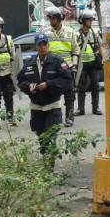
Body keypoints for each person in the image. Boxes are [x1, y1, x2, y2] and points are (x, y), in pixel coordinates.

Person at [17, 34, 72, 169]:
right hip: (36, 107)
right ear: (36, 47)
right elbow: (20, 80)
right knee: (42, 138)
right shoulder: (29, 63)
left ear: (48, 45)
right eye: (39, 45)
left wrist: (49, 84)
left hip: (52, 106)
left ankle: (49, 169)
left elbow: (67, 80)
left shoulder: (58, 61)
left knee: (50, 137)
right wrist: (28, 87)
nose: (42, 47)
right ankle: (46, 162)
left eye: (44, 44)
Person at [44, 6, 79, 127]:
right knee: (52, 94)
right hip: (52, 68)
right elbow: (43, 51)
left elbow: (75, 50)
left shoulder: (70, 32)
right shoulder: (46, 32)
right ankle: (52, 118)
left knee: (69, 94)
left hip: (66, 67)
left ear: (59, 19)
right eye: (49, 18)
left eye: (52, 18)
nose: (50, 21)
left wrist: (74, 63)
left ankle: (69, 118)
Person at [75, 9, 103, 116]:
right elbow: (74, 48)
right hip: (82, 64)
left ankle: (95, 108)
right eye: (88, 20)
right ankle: (80, 109)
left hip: (93, 63)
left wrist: (103, 59)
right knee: (81, 87)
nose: (90, 22)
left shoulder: (95, 32)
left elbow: (100, 46)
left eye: (91, 20)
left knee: (95, 86)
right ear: (83, 21)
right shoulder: (77, 34)